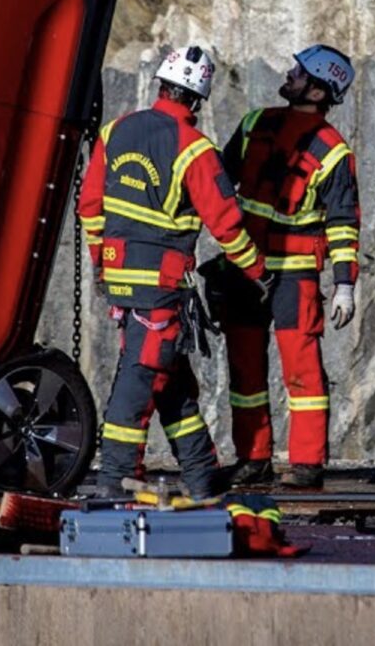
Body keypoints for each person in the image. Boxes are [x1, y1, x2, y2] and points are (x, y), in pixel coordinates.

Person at [78, 44, 269, 499]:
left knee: (171, 383)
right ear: (198, 99)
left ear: (161, 84)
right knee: (139, 381)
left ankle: (203, 476)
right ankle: (115, 480)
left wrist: (102, 262)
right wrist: (257, 271)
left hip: (121, 281)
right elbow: (226, 224)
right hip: (161, 289)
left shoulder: (115, 130)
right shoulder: (195, 149)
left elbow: (90, 207)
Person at [215, 45, 362, 490]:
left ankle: (307, 464)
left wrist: (344, 284)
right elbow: (215, 183)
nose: (289, 74)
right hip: (244, 268)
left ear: (317, 91)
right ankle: (253, 458)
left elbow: (343, 223)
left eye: (298, 72)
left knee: (302, 371)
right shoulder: (254, 122)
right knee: (245, 369)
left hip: (295, 276)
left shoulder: (334, 151)